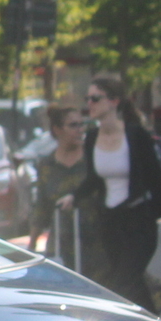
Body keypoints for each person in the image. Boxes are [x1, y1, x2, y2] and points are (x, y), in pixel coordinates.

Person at [80, 72, 161, 309]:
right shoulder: (91, 138)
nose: (89, 104)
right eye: (87, 98)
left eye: (95, 98)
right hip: (110, 223)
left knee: (123, 282)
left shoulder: (135, 136)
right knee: (131, 286)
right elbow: (93, 179)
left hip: (139, 223)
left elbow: (157, 180)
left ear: (114, 101)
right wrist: (72, 197)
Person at [28, 104, 96, 264]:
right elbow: (41, 208)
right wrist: (31, 246)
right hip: (61, 244)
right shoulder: (47, 165)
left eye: (82, 124)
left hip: (94, 244)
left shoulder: (91, 159)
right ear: (57, 129)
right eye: (73, 125)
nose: (80, 129)